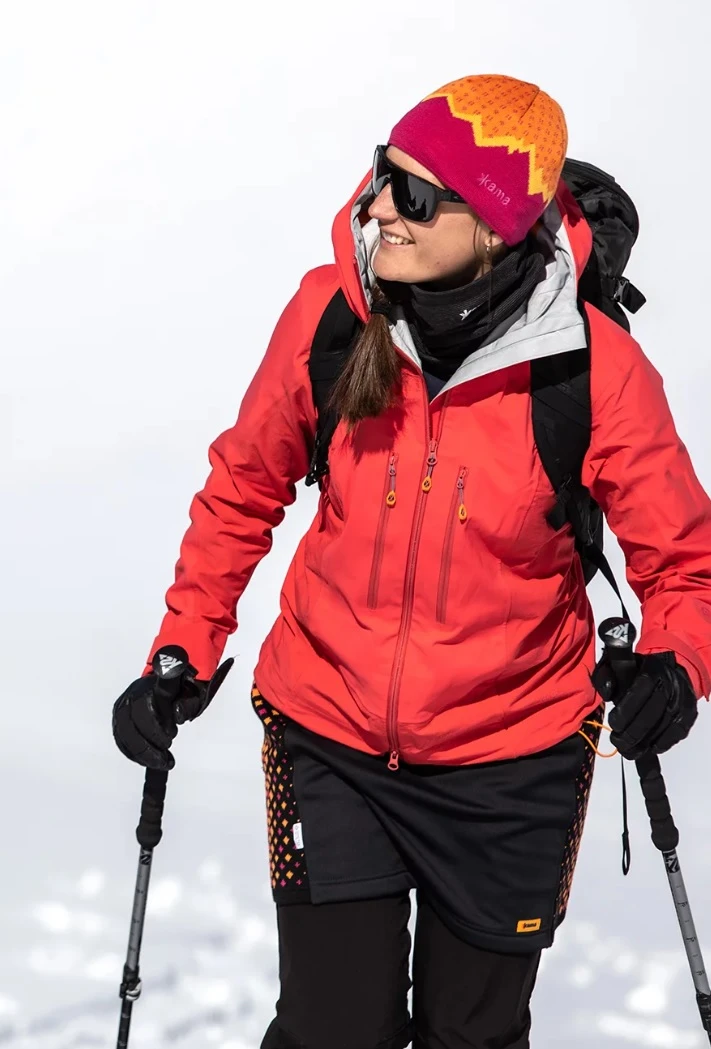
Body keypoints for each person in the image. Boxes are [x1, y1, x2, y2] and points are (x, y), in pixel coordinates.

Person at [112, 74, 711, 1049]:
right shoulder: (330, 316)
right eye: (382, 174)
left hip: (513, 760)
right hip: (329, 731)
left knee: (470, 1035)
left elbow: (687, 562)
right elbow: (242, 488)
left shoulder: (590, 368)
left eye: (417, 194)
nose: (381, 206)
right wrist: (182, 647)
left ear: (498, 224)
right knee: (331, 1030)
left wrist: (675, 669)